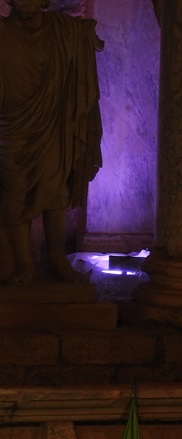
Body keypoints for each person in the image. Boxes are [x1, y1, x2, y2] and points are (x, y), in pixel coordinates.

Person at [0, 1, 103, 285]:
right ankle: (24, 266)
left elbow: (83, 35)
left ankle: (56, 259)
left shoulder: (63, 30)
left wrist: (85, 36)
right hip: (10, 127)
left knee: (54, 192)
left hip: (51, 124)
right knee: (13, 196)